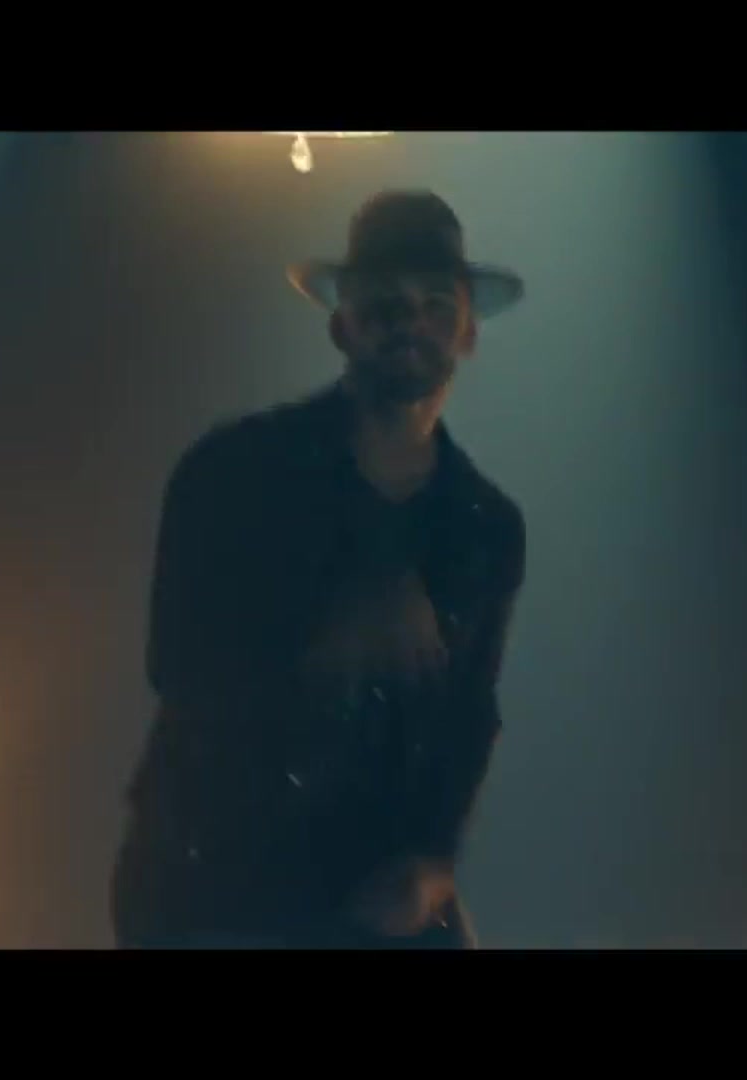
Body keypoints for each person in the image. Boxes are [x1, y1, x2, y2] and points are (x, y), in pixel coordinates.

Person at [110, 190, 528, 948]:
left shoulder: (485, 526)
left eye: (436, 305)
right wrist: (332, 634)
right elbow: (178, 665)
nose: (410, 322)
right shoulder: (235, 472)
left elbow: (471, 716)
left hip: (371, 889)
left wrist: (434, 859)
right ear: (343, 324)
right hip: (213, 885)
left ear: (467, 332)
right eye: (385, 304)